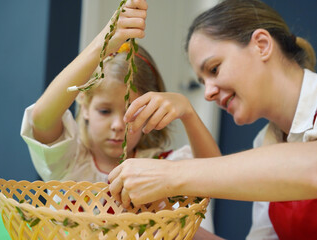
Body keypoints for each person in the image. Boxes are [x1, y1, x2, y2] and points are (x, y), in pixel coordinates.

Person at [108, 0, 317, 239]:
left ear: (262, 45)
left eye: (214, 69)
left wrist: (168, 176)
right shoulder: (265, 143)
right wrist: (166, 222)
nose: (208, 93)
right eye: (202, 82)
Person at [20, 0, 219, 233]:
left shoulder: (163, 168)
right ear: (84, 106)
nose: (117, 125)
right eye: (104, 111)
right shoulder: (70, 162)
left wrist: (188, 112)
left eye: (132, 112)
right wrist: (102, 45)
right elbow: (41, 119)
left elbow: (214, 176)